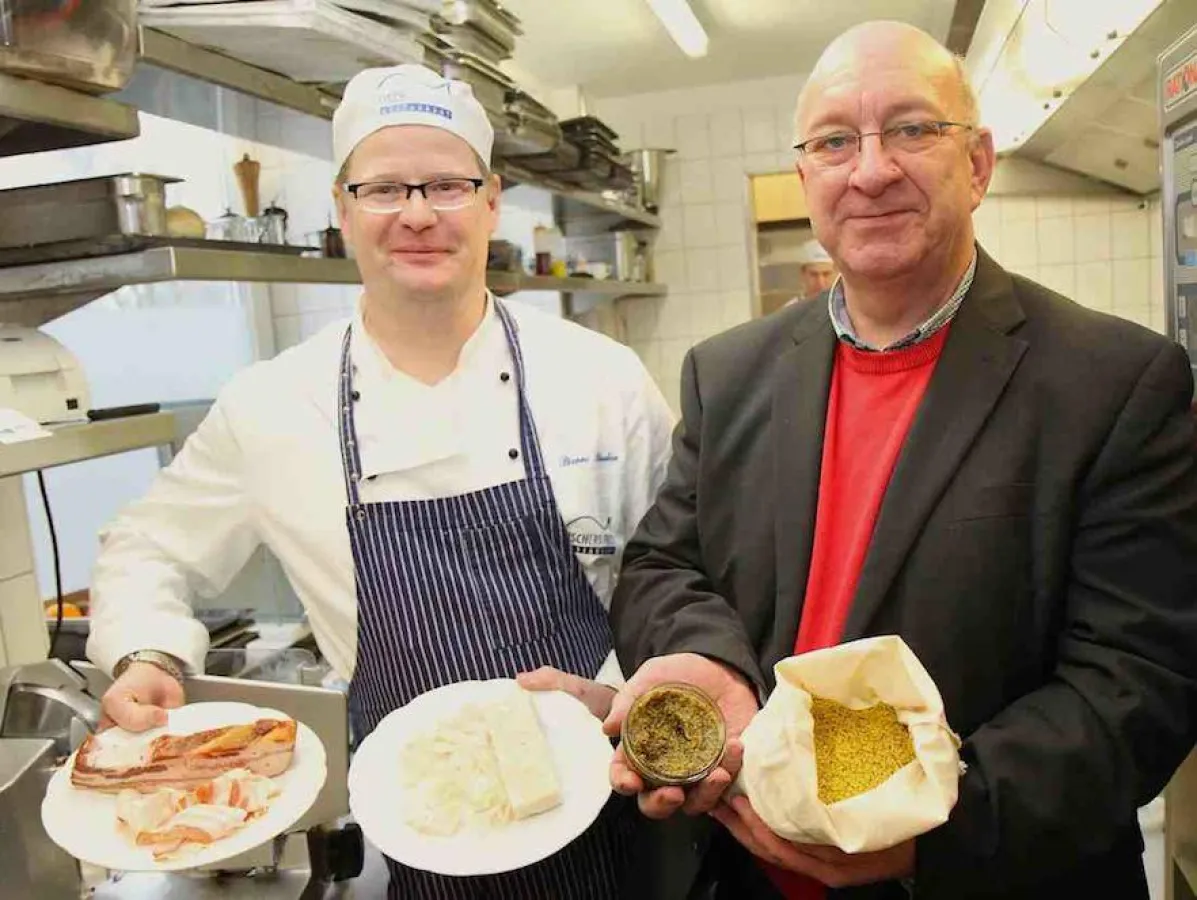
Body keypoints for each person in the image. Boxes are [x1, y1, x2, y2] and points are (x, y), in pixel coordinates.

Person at [603, 20, 1197, 900]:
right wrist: (708, 662)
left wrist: (939, 829)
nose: (870, 169)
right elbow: (660, 564)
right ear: (805, 176)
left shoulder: (1112, 383)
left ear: (979, 164)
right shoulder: (727, 374)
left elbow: (1137, 679)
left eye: (913, 129)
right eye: (835, 140)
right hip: (750, 871)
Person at [86, 63, 674, 898]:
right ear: (342, 209)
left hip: (611, 786)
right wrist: (146, 652)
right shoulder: (272, 404)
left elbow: (680, 572)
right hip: (423, 823)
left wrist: (631, 693)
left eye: (446, 185)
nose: (419, 215)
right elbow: (146, 544)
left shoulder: (601, 379)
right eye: (385, 189)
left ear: (492, 201)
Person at [785, 238, 837, 306]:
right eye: (814, 275)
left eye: (826, 274)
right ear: (803, 274)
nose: (820, 282)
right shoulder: (790, 310)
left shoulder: (847, 309)